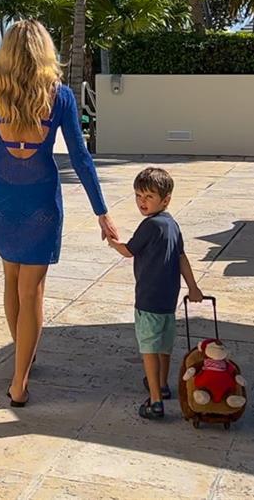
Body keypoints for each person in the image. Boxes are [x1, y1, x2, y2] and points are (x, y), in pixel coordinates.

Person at [0, 20, 115, 407]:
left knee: (12, 281)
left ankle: (22, 357)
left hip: (0, 201)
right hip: (41, 201)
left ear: (7, 52)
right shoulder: (58, 96)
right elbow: (80, 157)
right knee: (32, 292)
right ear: (46, 51)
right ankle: (19, 382)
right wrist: (102, 212)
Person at [107, 166, 203, 420]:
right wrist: (193, 286)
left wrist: (112, 241)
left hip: (148, 298)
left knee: (148, 348)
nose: (142, 202)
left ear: (165, 199)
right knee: (164, 345)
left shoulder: (149, 226)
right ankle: (162, 384)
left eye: (148, 197)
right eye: (138, 196)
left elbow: (129, 251)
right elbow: (182, 258)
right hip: (168, 299)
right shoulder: (172, 224)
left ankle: (155, 401)